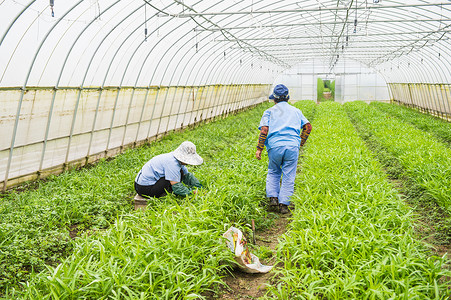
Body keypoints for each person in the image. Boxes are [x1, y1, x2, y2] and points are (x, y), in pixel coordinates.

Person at [255, 84, 312, 214]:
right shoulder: (296, 111)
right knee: (289, 175)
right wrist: (300, 143)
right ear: (288, 98)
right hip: (292, 146)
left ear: (274, 99)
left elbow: (264, 130)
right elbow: (308, 127)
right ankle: (284, 205)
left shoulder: (269, 112)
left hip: (275, 146)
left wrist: (259, 149)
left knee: (274, 171)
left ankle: (273, 198)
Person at [135, 141, 203, 198]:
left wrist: (199, 187)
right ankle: (162, 193)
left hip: (140, 185)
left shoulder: (174, 158)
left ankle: (166, 190)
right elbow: (177, 187)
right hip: (144, 189)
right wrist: (191, 193)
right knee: (171, 179)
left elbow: (186, 175)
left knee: (180, 173)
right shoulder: (172, 164)